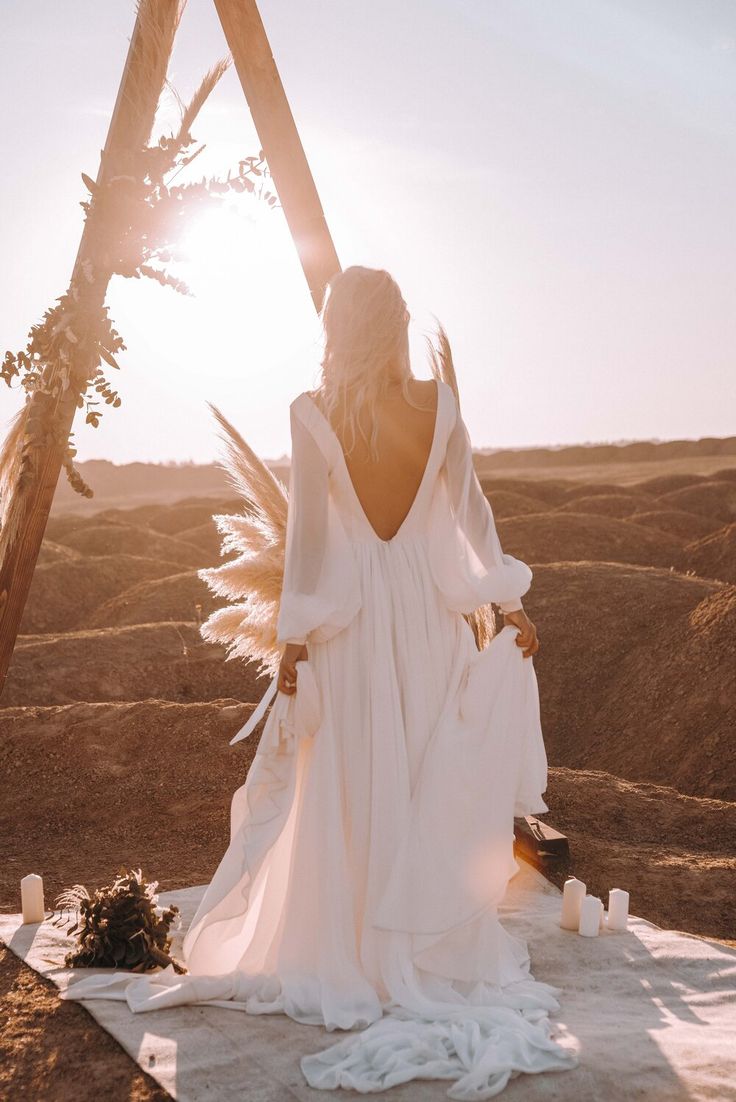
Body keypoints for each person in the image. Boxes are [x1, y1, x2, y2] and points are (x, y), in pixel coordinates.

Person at [64, 266, 578, 1098]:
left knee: (346, 785)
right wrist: (509, 603)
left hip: (354, 625)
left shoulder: (314, 415)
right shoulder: (441, 407)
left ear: (341, 329)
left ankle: (354, 943)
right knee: (419, 771)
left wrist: (296, 637)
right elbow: (472, 518)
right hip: (426, 620)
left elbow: (307, 541)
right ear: (400, 322)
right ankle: (415, 947)